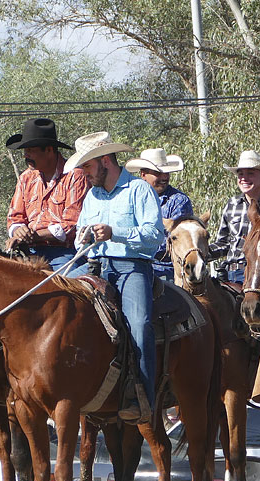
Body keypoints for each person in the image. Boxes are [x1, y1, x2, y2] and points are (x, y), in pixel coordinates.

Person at [65, 132, 164, 423]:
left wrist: (115, 233)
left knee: (139, 323)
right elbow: (77, 241)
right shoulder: (92, 195)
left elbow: (154, 237)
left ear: (105, 161)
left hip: (132, 267)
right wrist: (81, 239)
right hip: (94, 265)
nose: (84, 174)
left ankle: (142, 397)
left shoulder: (139, 190)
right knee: (58, 302)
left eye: (87, 167)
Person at [5, 118, 90, 271]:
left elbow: (71, 225)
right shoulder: (26, 178)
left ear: (49, 150)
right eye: (25, 151)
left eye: (30, 150)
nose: (26, 155)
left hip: (63, 254)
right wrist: (18, 230)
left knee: (67, 287)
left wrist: (34, 235)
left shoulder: (75, 176)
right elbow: (14, 217)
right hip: (29, 251)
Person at [209, 150, 260, 283]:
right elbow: (224, 243)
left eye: (250, 173)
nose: (244, 178)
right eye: (240, 174)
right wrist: (200, 252)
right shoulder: (232, 204)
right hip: (229, 274)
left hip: (259, 276)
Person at [125, 148, 193, 280]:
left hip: (164, 269)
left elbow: (173, 241)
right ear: (143, 174)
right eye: (158, 173)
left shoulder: (178, 201)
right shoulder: (130, 199)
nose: (164, 177)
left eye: (166, 173)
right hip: (131, 265)